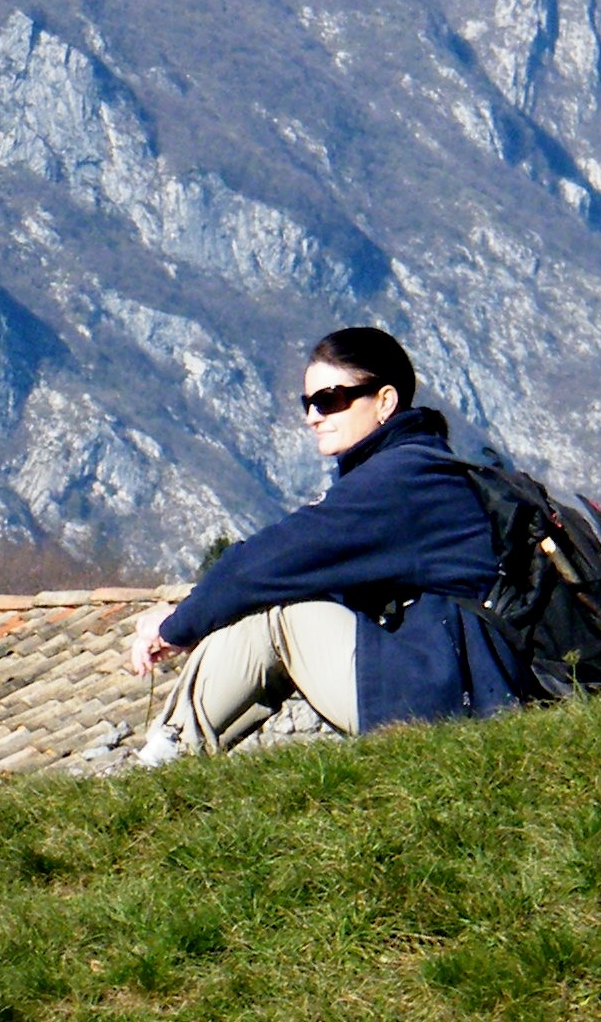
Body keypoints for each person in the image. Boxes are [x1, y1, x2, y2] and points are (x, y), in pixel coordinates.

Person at [124, 325, 525, 765]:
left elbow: (262, 564)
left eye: (329, 399)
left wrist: (175, 627)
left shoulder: (401, 479)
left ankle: (165, 758)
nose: (312, 417)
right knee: (275, 598)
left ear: (385, 402)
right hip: (452, 683)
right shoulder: (417, 467)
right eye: (308, 403)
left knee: (277, 613)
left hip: (450, 698)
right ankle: (170, 753)